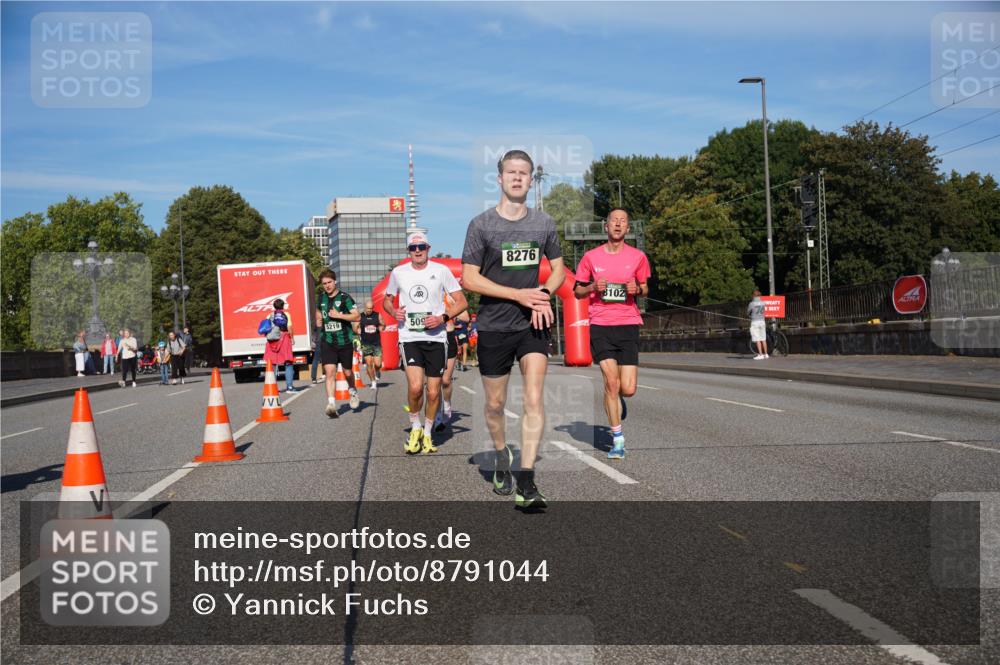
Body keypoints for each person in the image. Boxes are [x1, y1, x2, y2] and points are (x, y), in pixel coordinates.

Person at [461, 149, 565, 509]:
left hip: (532, 324)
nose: (518, 177)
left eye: (524, 173)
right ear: (500, 178)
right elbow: (469, 278)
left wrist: (542, 295)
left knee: (534, 398)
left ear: (530, 179)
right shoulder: (481, 225)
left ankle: (527, 481)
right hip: (493, 325)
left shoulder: (544, 223)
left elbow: (558, 270)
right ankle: (502, 453)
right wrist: (516, 294)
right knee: (494, 404)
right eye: (511, 172)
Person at [574, 208, 651, 460]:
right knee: (610, 382)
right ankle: (617, 439)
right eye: (614, 221)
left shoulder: (638, 256)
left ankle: (619, 399)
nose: (618, 225)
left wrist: (636, 288)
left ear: (628, 228)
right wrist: (593, 287)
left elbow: (645, 288)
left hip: (628, 323)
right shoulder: (590, 257)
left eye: (623, 222)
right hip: (601, 324)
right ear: (605, 226)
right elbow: (577, 291)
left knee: (627, 389)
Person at [384, 232, 466, 454]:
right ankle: (415, 426)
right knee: (416, 387)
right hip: (409, 337)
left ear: (428, 248)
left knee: (432, 392)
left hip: (437, 338)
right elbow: (387, 301)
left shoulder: (441, 271)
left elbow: (462, 302)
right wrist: (394, 311)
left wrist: (442, 318)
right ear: (408, 251)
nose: (417, 250)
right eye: (413, 248)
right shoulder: (399, 273)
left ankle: (428, 433)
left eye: (421, 246)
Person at [315, 269, 361, 417]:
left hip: (345, 341)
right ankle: (331, 403)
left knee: (347, 372)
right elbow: (317, 311)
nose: (327, 286)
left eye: (329, 282)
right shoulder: (321, 298)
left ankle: (352, 390)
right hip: (328, 341)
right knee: (330, 372)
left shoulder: (345, 297)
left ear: (335, 282)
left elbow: (357, 316)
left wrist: (339, 315)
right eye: (324, 284)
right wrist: (318, 320)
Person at [435, 298, 468, 432]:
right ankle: (437, 417)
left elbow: (465, 317)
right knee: (434, 381)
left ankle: (447, 404)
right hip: (433, 337)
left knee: (446, 380)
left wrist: (452, 307)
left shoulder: (451, 296)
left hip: (448, 336)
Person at [263, 299, 297, 393]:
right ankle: (289, 387)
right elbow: (289, 327)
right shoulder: (286, 314)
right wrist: (292, 338)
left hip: (272, 341)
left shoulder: (269, 315)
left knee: (273, 364)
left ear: (274, 306)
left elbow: (266, 328)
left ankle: (272, 388)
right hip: (284, 338)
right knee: (288, 363)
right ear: (283, 306)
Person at [354, 300, 384, 392]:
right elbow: (355, 327)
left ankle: (377, 371)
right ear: (364, 307)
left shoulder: (377, 315)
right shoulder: (360, 316)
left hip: (376, 343)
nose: (369, 310)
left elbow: (383, 325)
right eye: (368, 308)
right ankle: (373, 382)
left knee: (378, 364)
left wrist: (381, 328)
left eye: (371, 308)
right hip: (366, 343)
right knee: (369, 363)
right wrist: (357, 331)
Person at [748, 289, 769, 360]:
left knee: (757, 339)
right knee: (763, 338)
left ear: (753, 295)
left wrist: (751, 316)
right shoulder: (763, 303)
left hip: (755, 322)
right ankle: (766, 354)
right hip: (762, 321)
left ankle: (760, 354)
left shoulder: (751, 304)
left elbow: (748, 312)